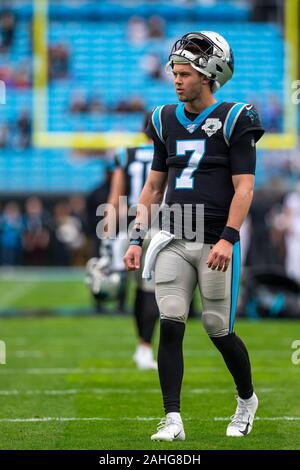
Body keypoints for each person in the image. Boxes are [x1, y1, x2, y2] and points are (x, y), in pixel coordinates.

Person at [124, 31, 264, 440]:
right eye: (175, 73)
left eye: (185, 73)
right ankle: (173, 418)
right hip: (172, 236)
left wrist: (228, 237)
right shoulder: (164, 118)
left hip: (215, 241)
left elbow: (245, 188)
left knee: (219, 329)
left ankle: (246, 399)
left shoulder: (237, 117)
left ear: (209, 76)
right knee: (170, 321)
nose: (177, 80)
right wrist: (136, 239)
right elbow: (153, 187)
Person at [87, 115, 160, 369]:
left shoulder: (125, 154)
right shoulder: (172, 151)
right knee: (149, 290)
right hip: (159, 224)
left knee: (121, 282)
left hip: (130, 224)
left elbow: (115, 199)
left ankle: (142, 348)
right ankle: (144, 347)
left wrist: (106, 239)